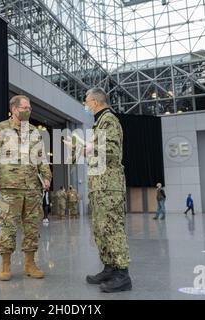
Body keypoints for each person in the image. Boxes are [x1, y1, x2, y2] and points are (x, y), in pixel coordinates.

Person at [64, 87, 131, 293]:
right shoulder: (99, 122)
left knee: (112, 227)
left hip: (109, 186)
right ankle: (109, 267)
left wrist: (92, 147)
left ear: (95, 101)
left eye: (86, 100)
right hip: (99, 186)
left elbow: (113, 151)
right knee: (101, 228)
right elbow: (98, 154)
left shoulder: (109, 119)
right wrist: (82, 148)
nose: (85, 104)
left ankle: (122, 273)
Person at [0, 95, 52, 281]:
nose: (29, 110)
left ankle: (30, 264)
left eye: (29, 107)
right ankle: (5, 264)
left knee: (32, 228)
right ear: (15, 109)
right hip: (9, 187)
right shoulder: (1, 129)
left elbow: (42, 158)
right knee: (7, 227)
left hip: (32, 188)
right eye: (25, 107)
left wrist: (46, 176)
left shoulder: (34, 132)